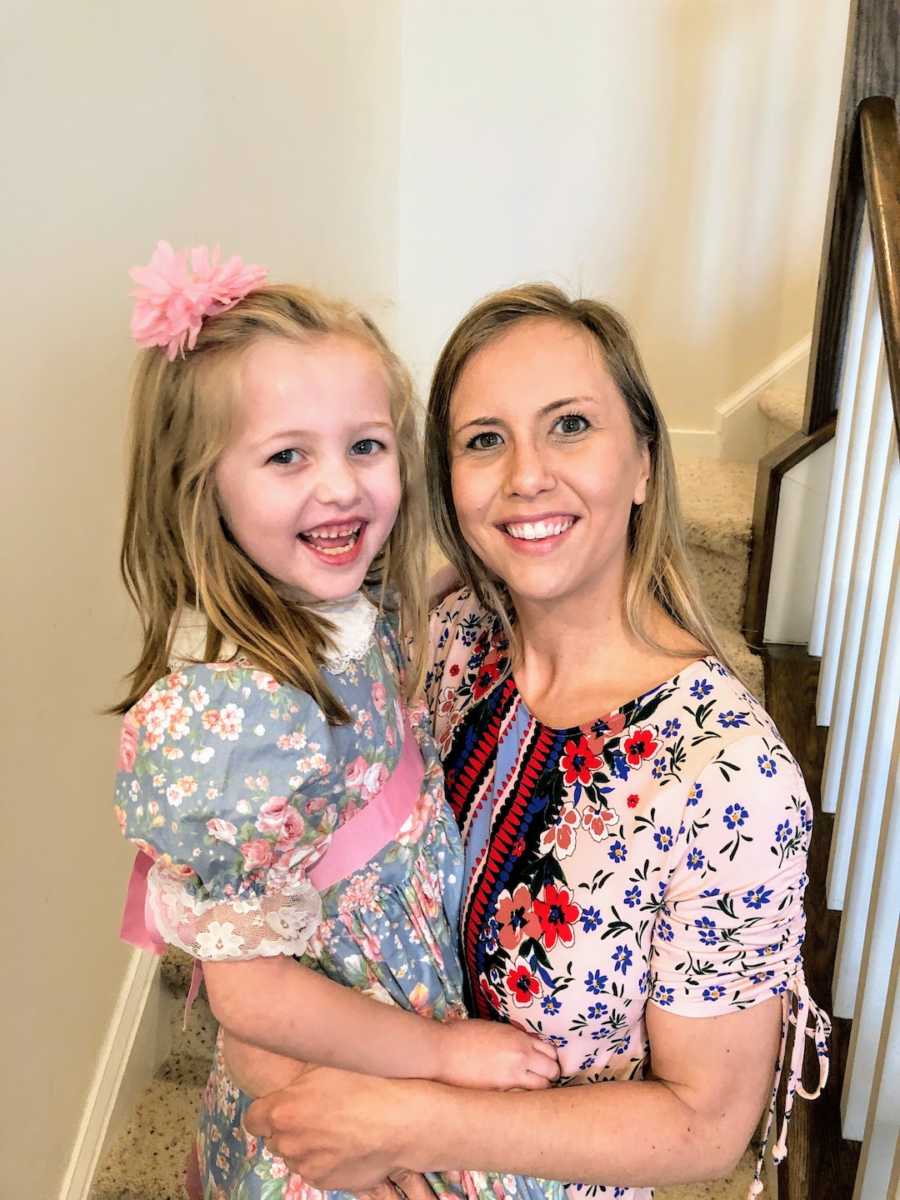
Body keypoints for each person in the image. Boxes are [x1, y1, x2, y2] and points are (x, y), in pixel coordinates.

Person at [244, 285, 831, 1200]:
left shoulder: (731, 780)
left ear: (644, 459)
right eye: (484, 440)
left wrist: (407, 1121)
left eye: (569, 426)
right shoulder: (449, 633)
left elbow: (705, 1122)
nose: (525, 476)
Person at [113, 244, 568, 1200]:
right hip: (349, 1038)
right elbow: (254, 994)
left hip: (406, 972)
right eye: (288, 456)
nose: (341, 488)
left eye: (366, 446)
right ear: (205, 488)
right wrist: (443, 1059)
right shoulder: (226, 720)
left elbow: (411, 606)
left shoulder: (353, 600)